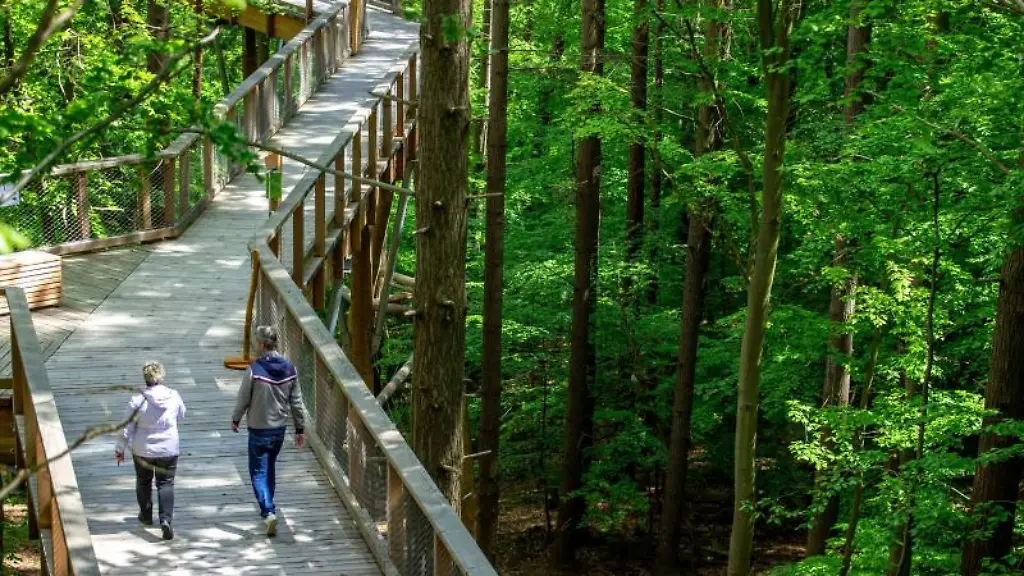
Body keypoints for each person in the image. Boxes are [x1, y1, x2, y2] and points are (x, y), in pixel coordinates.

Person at [231, 325, 306, 537]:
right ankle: (269, 506)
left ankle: (268, 511)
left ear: (262, 344)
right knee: (269, 467)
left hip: (258, 430)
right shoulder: (290, 368)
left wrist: (236, 419)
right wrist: (299, 429)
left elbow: (243, 398)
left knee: (257, 472)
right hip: (279, 430)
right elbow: (297, 402)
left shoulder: (255, 369)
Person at [114, 361, 186, 541]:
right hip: (169, 448)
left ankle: (146, 516)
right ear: (162, 376)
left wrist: (120, 448)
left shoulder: (137, 400)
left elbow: (126, 428)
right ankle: (166, 520)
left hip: (143, 449)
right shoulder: (174, 395)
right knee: (166, 483)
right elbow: (182, 414)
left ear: (145, 377)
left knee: (144, 481)